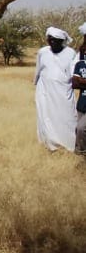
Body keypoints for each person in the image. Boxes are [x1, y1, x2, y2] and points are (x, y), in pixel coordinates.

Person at [33, 26, 78, 152]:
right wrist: (36, 84)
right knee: (46, 116)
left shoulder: (70, 53)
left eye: (56, 40)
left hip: (63, 92)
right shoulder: (43, 52)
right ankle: (50, 145)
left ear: (61, 41)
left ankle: (68, 145)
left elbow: (74, 73)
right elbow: (38, 70)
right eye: (50, 39)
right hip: (45, 91)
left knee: (67, 117)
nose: (52, 42)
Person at [73, 23, 86, 155]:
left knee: (81, 128)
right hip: (82, 101)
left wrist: (82, 80)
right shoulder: (80, 57)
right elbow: (75, 82)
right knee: (78, 128)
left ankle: (80, 152)